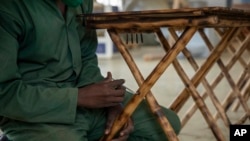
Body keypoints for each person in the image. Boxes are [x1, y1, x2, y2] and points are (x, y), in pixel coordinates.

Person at [0, 0, 181, 141]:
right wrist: (78, 97)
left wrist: (108, 101)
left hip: (86, 103)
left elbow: (86, 56)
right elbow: (4, 94)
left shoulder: (79, 2)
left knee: (167, 125)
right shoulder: (9, 8)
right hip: (34, 113)